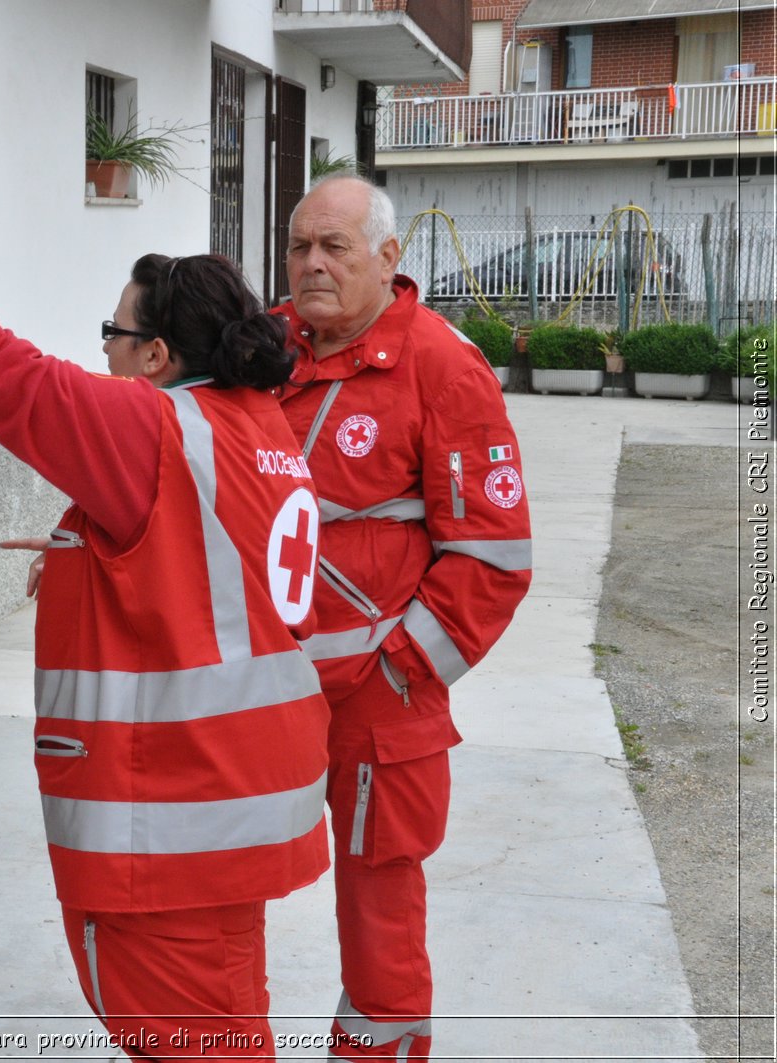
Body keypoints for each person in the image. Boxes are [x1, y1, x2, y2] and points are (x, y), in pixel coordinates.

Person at [0, 201, 331, 1060]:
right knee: (229, 1021)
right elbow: (207, 572)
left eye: (113, 332)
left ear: (157, 354)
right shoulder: (256, 424)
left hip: (174, 819)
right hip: (230, 805)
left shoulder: (153, 425)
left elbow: (5, 374)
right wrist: (88, 555)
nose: (101, 351)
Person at [272, 175, 532, 1061]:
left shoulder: (440, 365)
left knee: (380, 909)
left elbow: (494, 558)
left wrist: (398, 670)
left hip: (381, 703)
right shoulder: (265, 346)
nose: (311, 264)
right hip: (257, 685)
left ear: (388, 257)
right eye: (300, 244)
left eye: (333, 247)